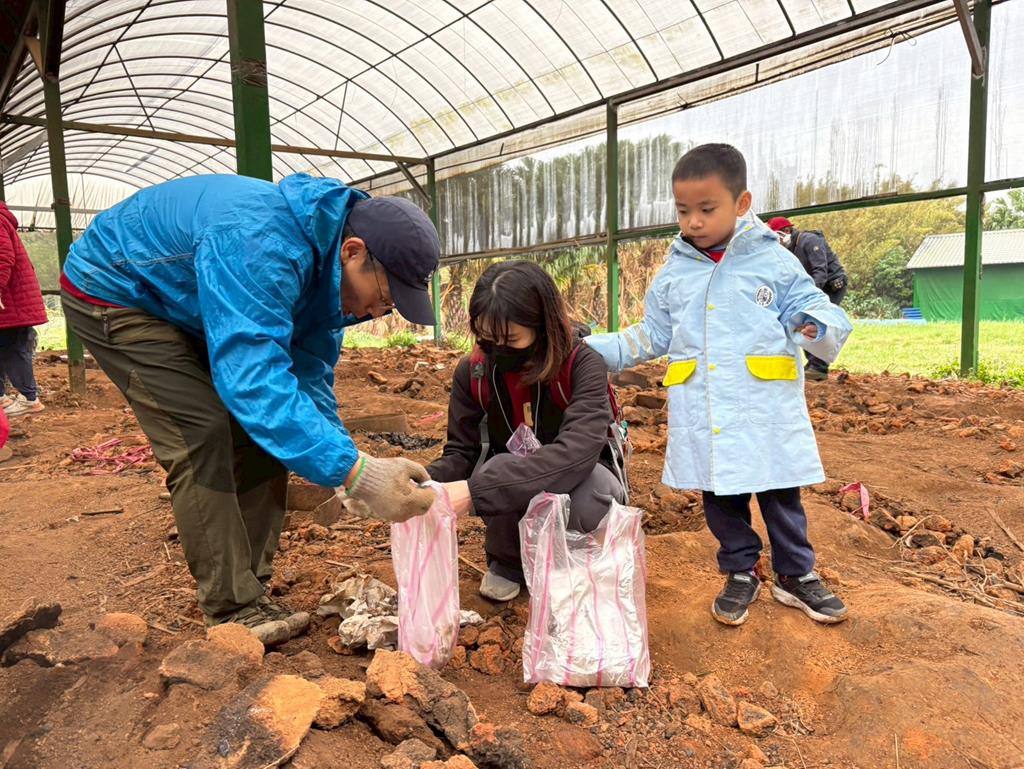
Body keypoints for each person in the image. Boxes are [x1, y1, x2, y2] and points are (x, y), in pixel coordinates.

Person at [61, 173, 438, 642]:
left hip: (186, 299)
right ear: (353, 252)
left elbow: (307, 376)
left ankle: (251, 589)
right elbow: (253, 379)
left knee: (270, 435)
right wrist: (355, 471)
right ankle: (233, 607)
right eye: (384, 297)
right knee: (201, 431)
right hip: (118, 288)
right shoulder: (260, 243)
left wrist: (347, 465)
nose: (379, 312)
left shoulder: (326, 276)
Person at [586, 144, 853, 626]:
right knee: (721, 496)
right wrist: (591, 349)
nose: (693, 222)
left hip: (763, 404)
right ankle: (740, 570)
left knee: (780, 492)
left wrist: (817, 324)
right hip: (705, 407)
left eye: (707, 209)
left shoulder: (774, 262)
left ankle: (796, 574)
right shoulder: (674, 273)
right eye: (683, 211)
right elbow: (651, 335)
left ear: (741, 203)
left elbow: (813, 304)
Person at [428, 261, 627, 602]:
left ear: (543, 325)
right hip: (513, 478)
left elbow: (577, 452)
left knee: (594, 491)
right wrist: (422, 481)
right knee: (497, 467)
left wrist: (475, 492)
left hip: (580, 476)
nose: (496, 348)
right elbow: (462, 452)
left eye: (510, 339)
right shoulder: (474, 373)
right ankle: (509, 561)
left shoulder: (582, 365)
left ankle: (576, 561)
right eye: (486, 338)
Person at [766, 217, 848, 380]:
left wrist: (807, 296)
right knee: (801, 320)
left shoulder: (809, 240)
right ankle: (812, 364)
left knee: (817, 320)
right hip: (814, 285)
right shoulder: (788, 250)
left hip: (832, 285)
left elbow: (820, 271)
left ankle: (819, 368)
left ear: (786, 231)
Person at [0, 201, 48, 417]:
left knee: (14, 347)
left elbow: (3, 257)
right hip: (8, 302)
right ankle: (2, 397)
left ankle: (29, 399)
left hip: (10, 301)